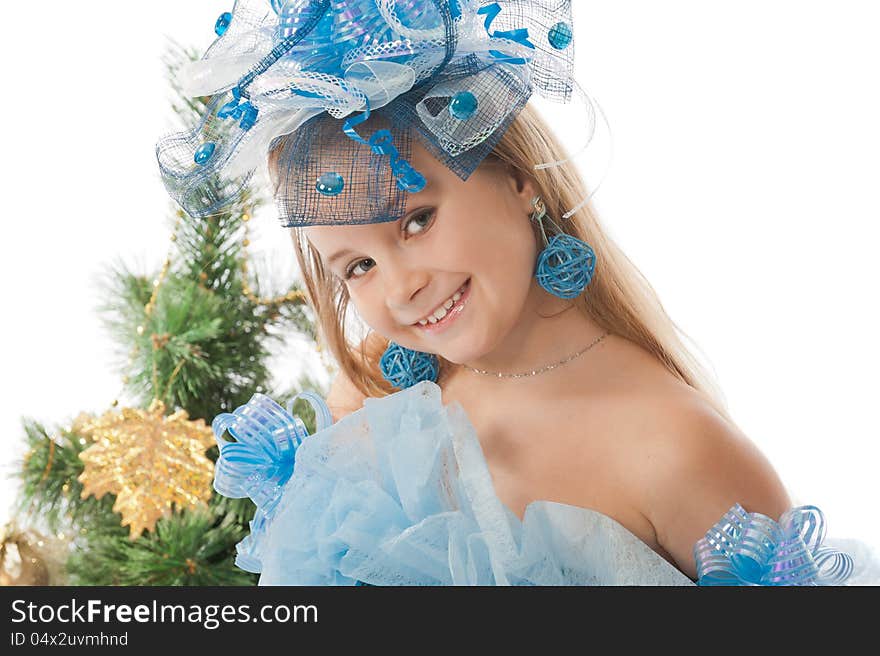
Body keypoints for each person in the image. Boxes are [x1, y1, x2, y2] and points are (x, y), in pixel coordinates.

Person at [160, 0, 876, 585]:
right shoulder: (383, 399)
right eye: (357, 268)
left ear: (516, 176)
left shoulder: (675, 448)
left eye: (416, 219)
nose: (402, 287)